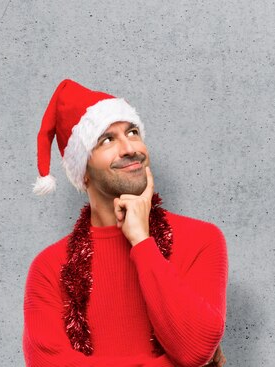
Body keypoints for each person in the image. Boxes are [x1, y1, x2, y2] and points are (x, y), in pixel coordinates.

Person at [23, 79, 228, 367]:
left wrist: (142, 242)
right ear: (83, 172)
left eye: (132, 132)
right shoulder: (48, 268)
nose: (129, 148)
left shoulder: (202, 240)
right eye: (107, 140)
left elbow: (194, 348)